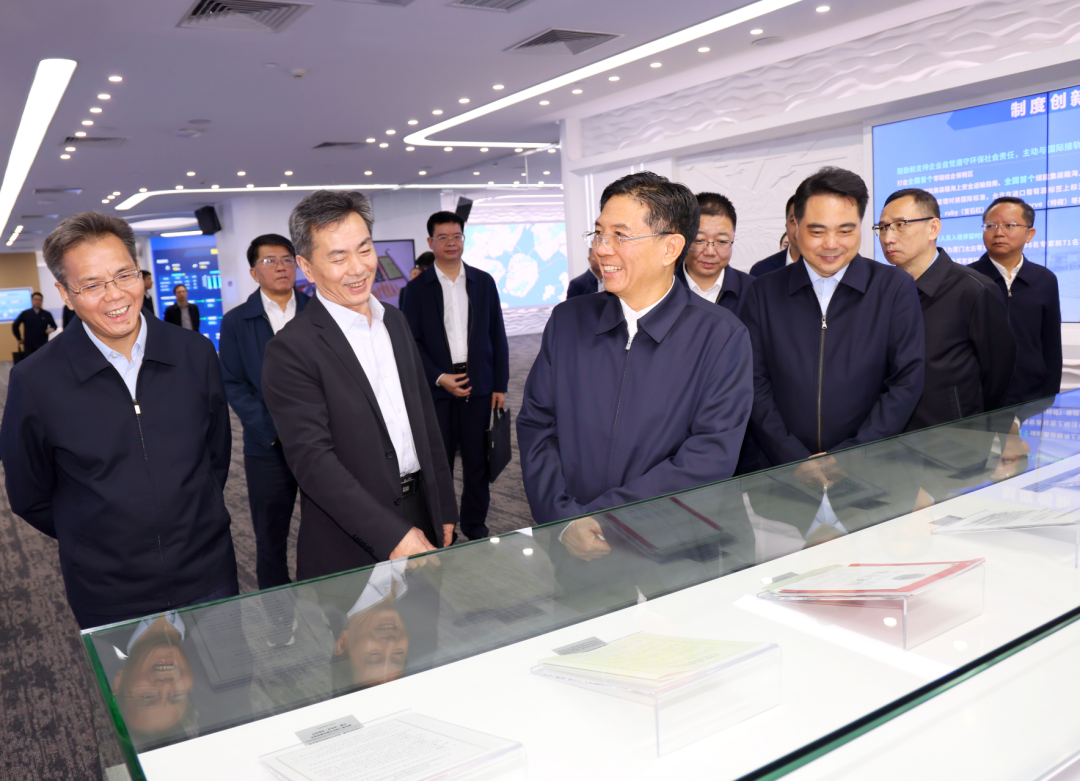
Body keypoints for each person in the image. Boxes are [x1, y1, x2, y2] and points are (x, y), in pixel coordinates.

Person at [0, 211, 237, 629]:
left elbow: (215, 457)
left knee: (226, 669)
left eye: (124, 275)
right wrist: (95, 539)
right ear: (65, 294)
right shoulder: (35, 380)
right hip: (108, 590)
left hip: (208, 570)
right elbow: (29, 494)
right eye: (91, 284)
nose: (114, 295)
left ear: (141, 275)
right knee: (130, 676)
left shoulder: (194, 354)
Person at [517, 171, 753, 539]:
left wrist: (605, 522)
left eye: (620, 235)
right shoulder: (568, 321)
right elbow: (537, 425)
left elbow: (708, 455)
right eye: (599, 233)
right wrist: (562, 520)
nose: (602, 249)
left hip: (669, 546)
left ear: (670, 248)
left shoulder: (721, 335)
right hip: (573, 543)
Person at [262, 190, 458, 581]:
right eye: (338, 257)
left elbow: (424, 419)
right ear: (307, 267)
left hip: (423, 509)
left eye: (365, 249)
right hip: (352, 533)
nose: (358, 268)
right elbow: (313, 463)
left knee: (428, 618)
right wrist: (391, 534)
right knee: (365, 625)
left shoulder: (395, 321)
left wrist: (444, 505)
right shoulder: (291, 349)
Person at [740, 167, 925, 469]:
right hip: (782, 471)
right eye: (817, 231)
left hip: (870, 469)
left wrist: (851, 456)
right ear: (795, 227)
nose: (831, 244)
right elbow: (753, 382)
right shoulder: (762, 291)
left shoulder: (893, 287)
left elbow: (906, 380)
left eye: (845, 231)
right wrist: (792, 458)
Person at [401, 211, 509, 540]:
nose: (451, 243)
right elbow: (410, 343)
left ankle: (475, 527)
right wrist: (439, 377)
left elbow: (497, 334)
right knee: (439, 466)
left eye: (457, 236)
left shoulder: (483, 282)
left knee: (478, 464)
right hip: (437, 391)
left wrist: (499, 384)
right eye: (443, 237)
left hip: (478, 386)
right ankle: (442, 528)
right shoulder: (416, 290)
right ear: (430, 242)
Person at [876, 188, 1016, 431]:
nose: (888, 238)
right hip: (887, 438)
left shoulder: (974, 290)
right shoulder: (879, 291)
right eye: (883, 228)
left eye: (900, 225)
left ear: (933, 228)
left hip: (952, 441)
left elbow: (998, 376)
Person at [219, 234, 311, 589]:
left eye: (287, 259)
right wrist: (274, 431)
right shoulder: (237, 321)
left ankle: (330, 603)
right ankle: (278, 609)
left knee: (328, 529)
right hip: (267, 447)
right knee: (271, 536)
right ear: (254, 272)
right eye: (270, 261)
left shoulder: (319, 311)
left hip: (321, 443)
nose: (281, 267)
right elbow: (233, 383)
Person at [970, 197, 1062, 406]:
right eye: (991, 226)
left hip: (1031, 398)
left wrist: (1048, 398)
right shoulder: (966, 278)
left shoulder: (1045, 279)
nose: (998, 232)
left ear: (1029, 234)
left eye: (1009, 225)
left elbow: (1051, 346)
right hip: (977, 399)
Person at [674, 191, 752, 314]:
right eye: (699, 240)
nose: (710, 252)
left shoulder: (753, 290)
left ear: (733, 239)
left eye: (721, 241)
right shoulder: (661, 287)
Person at [750, 195, 800, 277]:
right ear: (786, 225)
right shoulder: (761, 271)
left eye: (806, 220)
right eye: (793, 221)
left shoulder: (823, 268)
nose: (799, 228)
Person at [12, 292, 56, 356]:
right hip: (29, 344)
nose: (37, 301)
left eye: (39, 300)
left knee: (43, 359)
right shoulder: (25, 313)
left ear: (42, 301)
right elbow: (15, 325)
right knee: (30, 360)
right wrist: (19, 338)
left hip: (42, 343)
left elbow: (54, 326)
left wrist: (51, 329)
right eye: (35, 299)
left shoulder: (46, 314)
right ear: (32, 300)